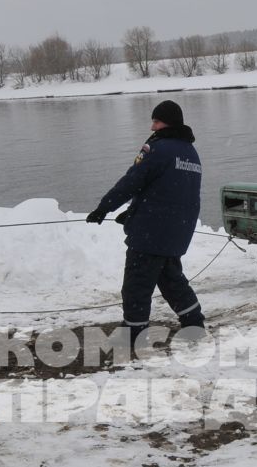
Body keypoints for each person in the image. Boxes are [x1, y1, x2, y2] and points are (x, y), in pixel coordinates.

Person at [87, 99, 204, 348]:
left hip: (151, 233)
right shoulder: (190, 153)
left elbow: (132, 181)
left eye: (156, 121)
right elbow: (169, 192)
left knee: (136, 284)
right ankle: (194, 323)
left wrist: (104, 207)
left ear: (167, 123)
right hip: (177, 230)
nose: (152, 127)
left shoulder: (157, 149)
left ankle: (133, 334)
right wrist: (132, 212)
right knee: (172, 280)